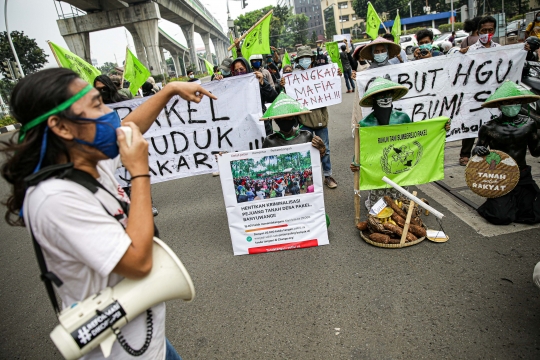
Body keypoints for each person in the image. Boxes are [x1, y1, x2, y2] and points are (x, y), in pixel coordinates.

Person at [0, 67, 216, 360]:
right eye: (96, 105)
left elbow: (131, 126)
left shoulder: (87, 163)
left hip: (151, 343)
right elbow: (138, 263)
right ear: (61, 127)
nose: (108, 113)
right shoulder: (55, 199)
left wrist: (169, 91)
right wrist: (139, 173)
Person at [350, 77, 450, 209]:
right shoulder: (365, 123)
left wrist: (440, 129)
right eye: (381, 96)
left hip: (399, 164)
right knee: (378, 207)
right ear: (374, 99)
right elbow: (361, 148)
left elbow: (417, 137)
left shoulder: (403, 118)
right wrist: (355, 162)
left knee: (399, 203)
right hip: (377, 168)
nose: (385, 98)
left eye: (388, 95)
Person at [472, 80, 540, 224]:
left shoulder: (529, 124)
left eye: (515, 102)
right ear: (499, 105)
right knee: (501, 217)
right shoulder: (488, 128)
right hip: (499, 175)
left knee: (532, 215)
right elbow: (476, 153)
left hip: (522, 174)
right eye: (508, 103)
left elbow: (536, 152)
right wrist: (478, 150)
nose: (512, 106)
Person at [281, 45, 341, 189]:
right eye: (302, 58)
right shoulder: (293, 78)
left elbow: (331, 87)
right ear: (298, 61)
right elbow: (287, 98)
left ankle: (328, 176)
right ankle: (308, 179)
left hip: (321, 121)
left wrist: (336, 76)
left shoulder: (323, 73)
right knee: (305, 151)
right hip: (303, 121)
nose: (305, 61)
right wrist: (283, 86)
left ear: (312, 59)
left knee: (324, 148)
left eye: (307, 58)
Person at [230, 57, 278, 135]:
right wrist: (217, 82)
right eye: (236, 70)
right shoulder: (232, 85)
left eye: (241, 69)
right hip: (243, 126)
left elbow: (273, 97)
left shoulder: (257, 79)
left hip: (262, 124)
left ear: (247, 68)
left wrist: (263, 83)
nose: (239, 72)